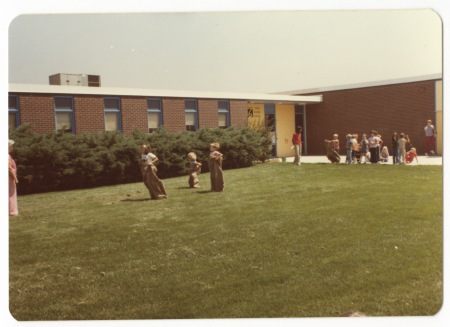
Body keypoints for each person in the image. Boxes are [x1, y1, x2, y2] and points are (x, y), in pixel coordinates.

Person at [9, 139, 19, 216]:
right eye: (10, 146)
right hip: (9, 178)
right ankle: (12, 211)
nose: (12, 148)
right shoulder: (7, 156)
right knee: (11, 194)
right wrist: (15, 178)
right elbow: (9, 168)